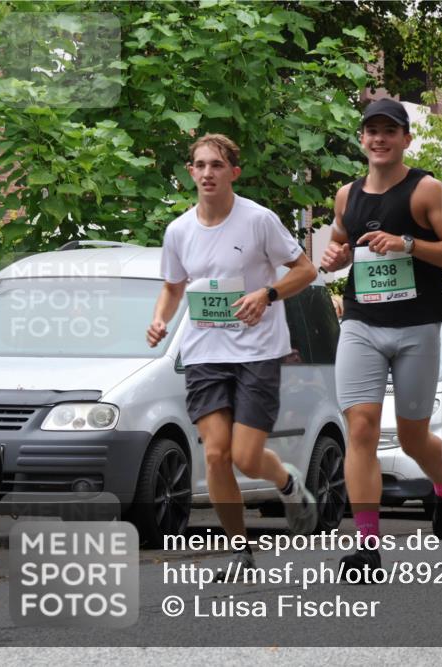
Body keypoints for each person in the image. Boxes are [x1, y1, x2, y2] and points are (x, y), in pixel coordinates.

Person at [147, 133, 318, 574]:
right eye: (200, 165)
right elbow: (172, 286)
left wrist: (268, 293)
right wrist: (161, 319)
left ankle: (286, 481)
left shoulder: (258, 221)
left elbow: (305, 270)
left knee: (245, 455)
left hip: (258, 352)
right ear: (190, 172)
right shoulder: (179, 230)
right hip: (205, 352)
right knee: (217, 455)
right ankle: (240, 551)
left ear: (233, 173)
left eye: (217, 166)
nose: (207, 173)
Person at [320, 99, 442, 581]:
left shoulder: (429, 190)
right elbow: (342, 248)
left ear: (406, 139)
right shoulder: (346, 196)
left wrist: (407, 244)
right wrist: (333, 256)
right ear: (361, 139)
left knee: (411, 438)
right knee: (361, 430)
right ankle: (367, 546)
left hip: (416, 326)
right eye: (371, 131)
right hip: (362, 324)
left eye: (390, 131)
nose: (379, 139)